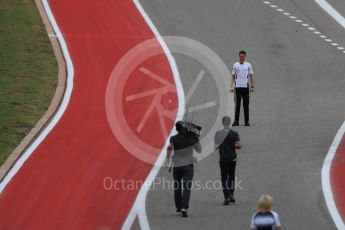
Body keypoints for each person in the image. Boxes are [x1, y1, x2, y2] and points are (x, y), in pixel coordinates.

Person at [165, 121, 202, 217]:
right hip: (188, 165)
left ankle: (178, 207)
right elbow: (199, 150)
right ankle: (184, 207)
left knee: (177, 186)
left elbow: (169, 147)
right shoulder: (191, 138)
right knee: (187, 187)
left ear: (177, 129)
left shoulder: (173, 138)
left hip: (177, 165)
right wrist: (197, 138)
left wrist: (168, 159)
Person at [214, 116, 242, 205]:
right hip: (232, 158)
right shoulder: (234, 133)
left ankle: (226, 196)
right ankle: (231, 193)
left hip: (223, 159)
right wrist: (232, 145)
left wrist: (222, 145)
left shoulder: (218, 133)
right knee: (231, 176)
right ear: (229, 123)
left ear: (222, 123)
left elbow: (215, 147)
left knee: (224, 177)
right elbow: (239, 146)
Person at [230, 50, 255, 126]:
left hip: (245, 87)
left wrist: (252, 86)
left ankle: (246, 121)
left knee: (246, 104)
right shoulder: (235, 65)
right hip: (237, 87)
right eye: (240, 56)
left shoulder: (248, 65)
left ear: (245, 57)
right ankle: (236, 121)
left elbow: (251, 76)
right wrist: (231, 86)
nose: (242, 58)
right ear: (239, 56)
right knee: (237, 105)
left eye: (243, 56)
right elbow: (233, 76)